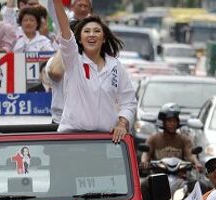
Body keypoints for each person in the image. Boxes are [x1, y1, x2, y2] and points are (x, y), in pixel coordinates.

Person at [52, 0, 136, 143]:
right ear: (79, 39)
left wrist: (122, 124)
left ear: (103, 39)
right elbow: (66, 32)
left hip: (105, 141)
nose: (92, 35)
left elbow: (129, 102)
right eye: (86, 31)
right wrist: (57, 3)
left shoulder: (115, 66)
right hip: (72, 139)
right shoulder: (73, 60)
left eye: (97, 31)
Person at [140, 103, 203, 172]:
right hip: (158, 175)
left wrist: (196, 163)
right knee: (142, 183)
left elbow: (190, 154)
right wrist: (144, 162)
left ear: (178, 122)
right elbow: (146, 153)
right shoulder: (153, 139)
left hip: (179, 176)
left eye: (174, 121)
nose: (172, 124)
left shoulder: (184, 139)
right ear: (163, 123)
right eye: (169, 121)